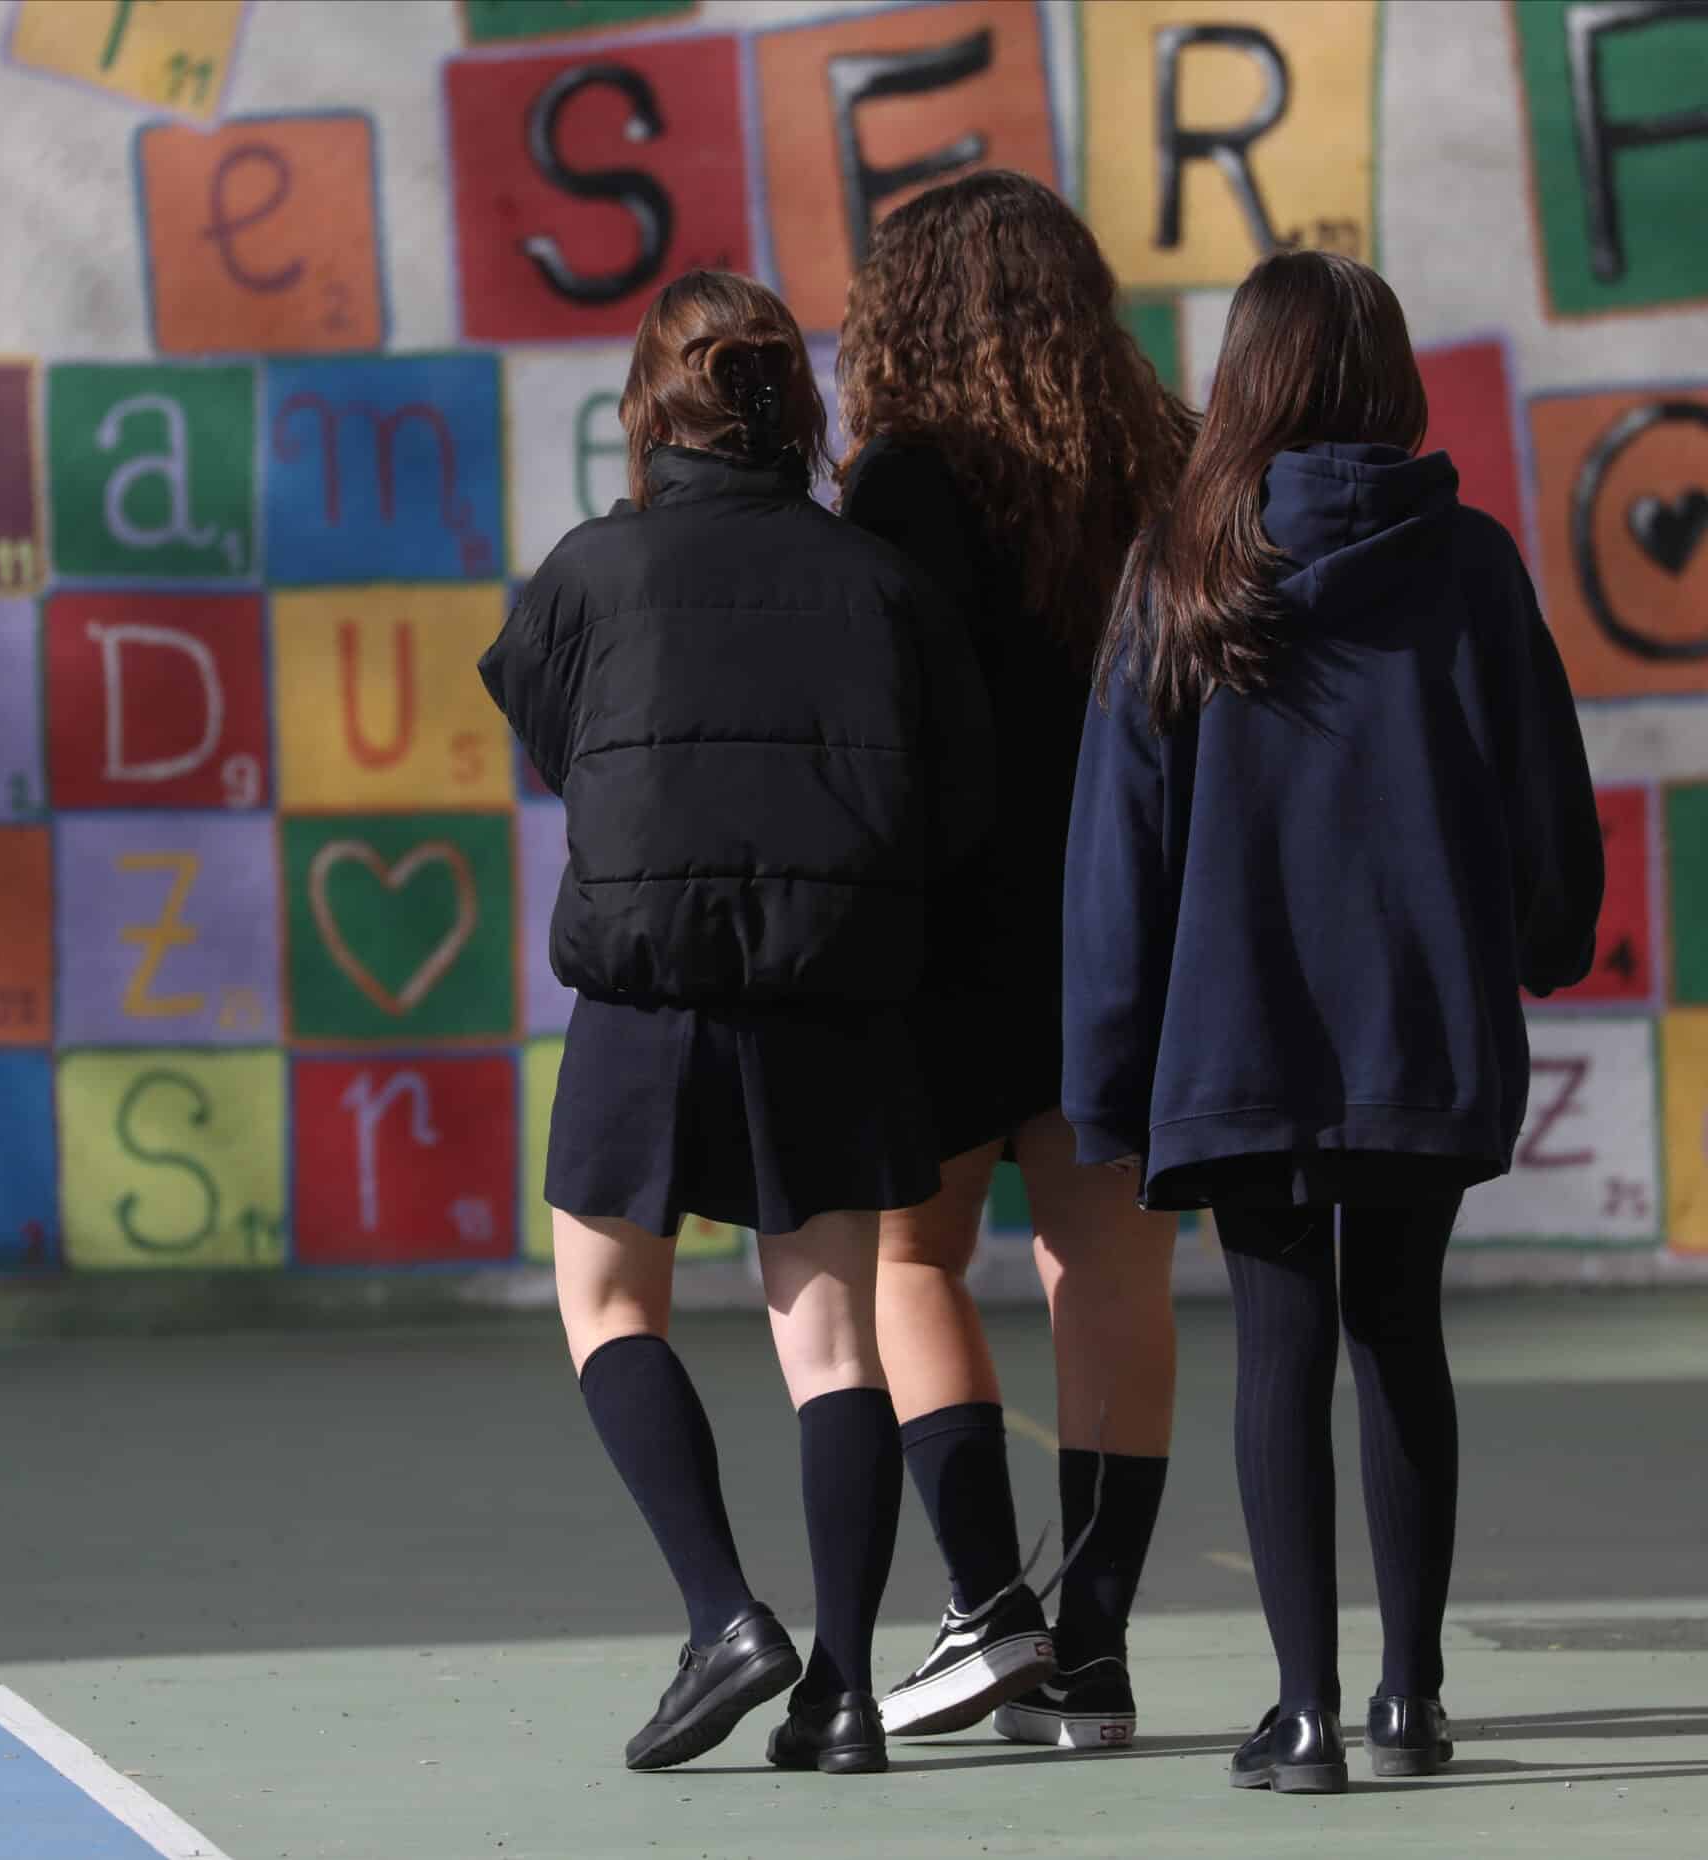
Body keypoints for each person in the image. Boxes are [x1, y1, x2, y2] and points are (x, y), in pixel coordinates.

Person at [1066, 249, 1604, 1795]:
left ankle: (1300, 1715)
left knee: (1279, 1348)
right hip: (1421, 1024)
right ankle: (1410, 1699)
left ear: (1246, 382)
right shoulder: (1474, 565)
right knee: (1401, 1332)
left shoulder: (1183, 567)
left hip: (1237, 1037)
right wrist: (1547, 946)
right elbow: (1543, 802)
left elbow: (1121, 850)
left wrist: (1109, 1074)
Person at [480, 270, 994, 1777]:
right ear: (796, 406)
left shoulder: (590, 569)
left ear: (657, 407)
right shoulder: (882, 582)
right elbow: (956, 805)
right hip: (832, 993)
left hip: (645, 991)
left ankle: (721, 1616)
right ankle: (840, 1693)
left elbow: (556, 741)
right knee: (833, 1341)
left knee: (607, 1302)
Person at [834, 170, 1197, 1747]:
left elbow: (886, 736)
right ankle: (1099, 1650)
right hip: (1133, 926)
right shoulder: (1168, 463)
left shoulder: (906, 483)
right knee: (1110, 1271)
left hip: (947, 934)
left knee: (908, 1259)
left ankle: (991, 1614)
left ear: (904, 315)